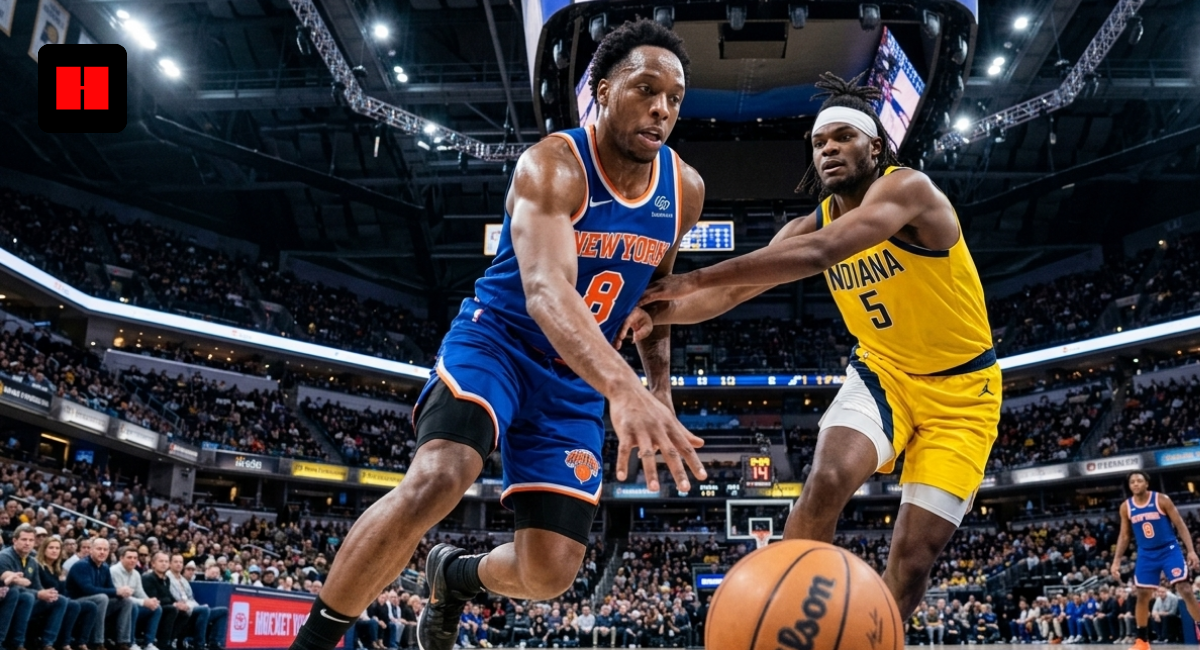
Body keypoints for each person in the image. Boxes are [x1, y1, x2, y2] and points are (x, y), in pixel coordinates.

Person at [286, 18, 706, 650]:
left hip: (576, 380)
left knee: (550, 572)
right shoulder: (554, 166)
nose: (661, 109)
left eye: (674, 98)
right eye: (646, 89)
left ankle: (455, 575)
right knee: (441, 475)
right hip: (500, 344)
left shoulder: (684, 190)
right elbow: (546, 292)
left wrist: (660, 387)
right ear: (602, 90)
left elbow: (657, 299)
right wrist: (624, 389)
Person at [626, 70, 1001, 619]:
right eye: (820, 142)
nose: (829, 149)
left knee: (914, 559)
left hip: (963, 393)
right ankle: (789, 624)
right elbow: (732, 292)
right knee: (825, 480)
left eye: (844, 137)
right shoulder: (810, 222)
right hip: (884, 374)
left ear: (876, 147)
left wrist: (690, 278)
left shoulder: (909, 189)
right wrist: (656, 310)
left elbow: (822, 253)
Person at [1111, 470, 1200, 650]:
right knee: (1142, 594)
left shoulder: (1161, 500)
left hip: (1169, 550)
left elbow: (1180, 524)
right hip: (1146, 553)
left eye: (1139, 481)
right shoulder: (1126, 507)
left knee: (1185, 589)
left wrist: (1191, 551)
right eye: (1132, 482)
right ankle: (1142, 641)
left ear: (1146, 483)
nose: (1135, 484)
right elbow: (1125, 535)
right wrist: (1116, 561)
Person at [0, 524, 66, 650]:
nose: (27, 543)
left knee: (60, 600)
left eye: (31, 540)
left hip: (24, 601)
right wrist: (37, 594)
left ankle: (48, 643)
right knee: (26, 596)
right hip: (6, 600)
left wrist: (46, 593)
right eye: (24, 539)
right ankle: (17, 643)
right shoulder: (4, 556)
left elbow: (37, 586)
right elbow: (8, 580)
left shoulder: (32, 561)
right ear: (15, 540)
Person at [37, 534, 98, 650]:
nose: (54, 550)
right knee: (72, 604)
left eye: (57, 548)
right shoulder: (38, 566)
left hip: (59, 599)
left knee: (91, 606)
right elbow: (38, 587)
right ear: (43, 549)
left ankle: (82, 642)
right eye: (51, 548)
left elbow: (62, 590)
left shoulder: (57, 567)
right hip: (43, 599)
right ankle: (60, 643)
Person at [65, 537, 125, 650]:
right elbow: (88, 589)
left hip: (95, 601)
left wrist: (121, 592)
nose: (102, 552)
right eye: (99, 549)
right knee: (102, 598)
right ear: (91, 550)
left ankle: (123, 641)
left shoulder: (105, 567)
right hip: (76, 600)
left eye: (105, 550)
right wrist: (116, 591)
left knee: (126, 601)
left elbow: (110, 588)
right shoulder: (81, 565)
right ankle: (98, 642)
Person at [111, 546, 161, 650]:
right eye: (129, 557)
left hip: (131, 603)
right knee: (131, 606)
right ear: (121, 558)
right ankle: (131, 642)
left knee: (157, 608)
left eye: (135, 558)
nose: (133, 560)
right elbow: (120, 596)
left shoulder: (136, 573)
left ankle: (149, 643)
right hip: (117, 605)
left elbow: (140, 592)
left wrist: (150, 601)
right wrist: (143, 602)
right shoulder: (114, 571)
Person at [141, 553, 185, 650]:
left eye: (166, 561)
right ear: (153, 563)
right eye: (161, 561)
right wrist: (174, 604)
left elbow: (168, 596)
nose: (164, 564)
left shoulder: (166, 579)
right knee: (172, 609)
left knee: (184, 612)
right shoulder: (148, 578)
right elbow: (153, 597)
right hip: (151, 606)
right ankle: (163, 644)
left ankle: (171, 640)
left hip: (164, 606)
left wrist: (179, 604)